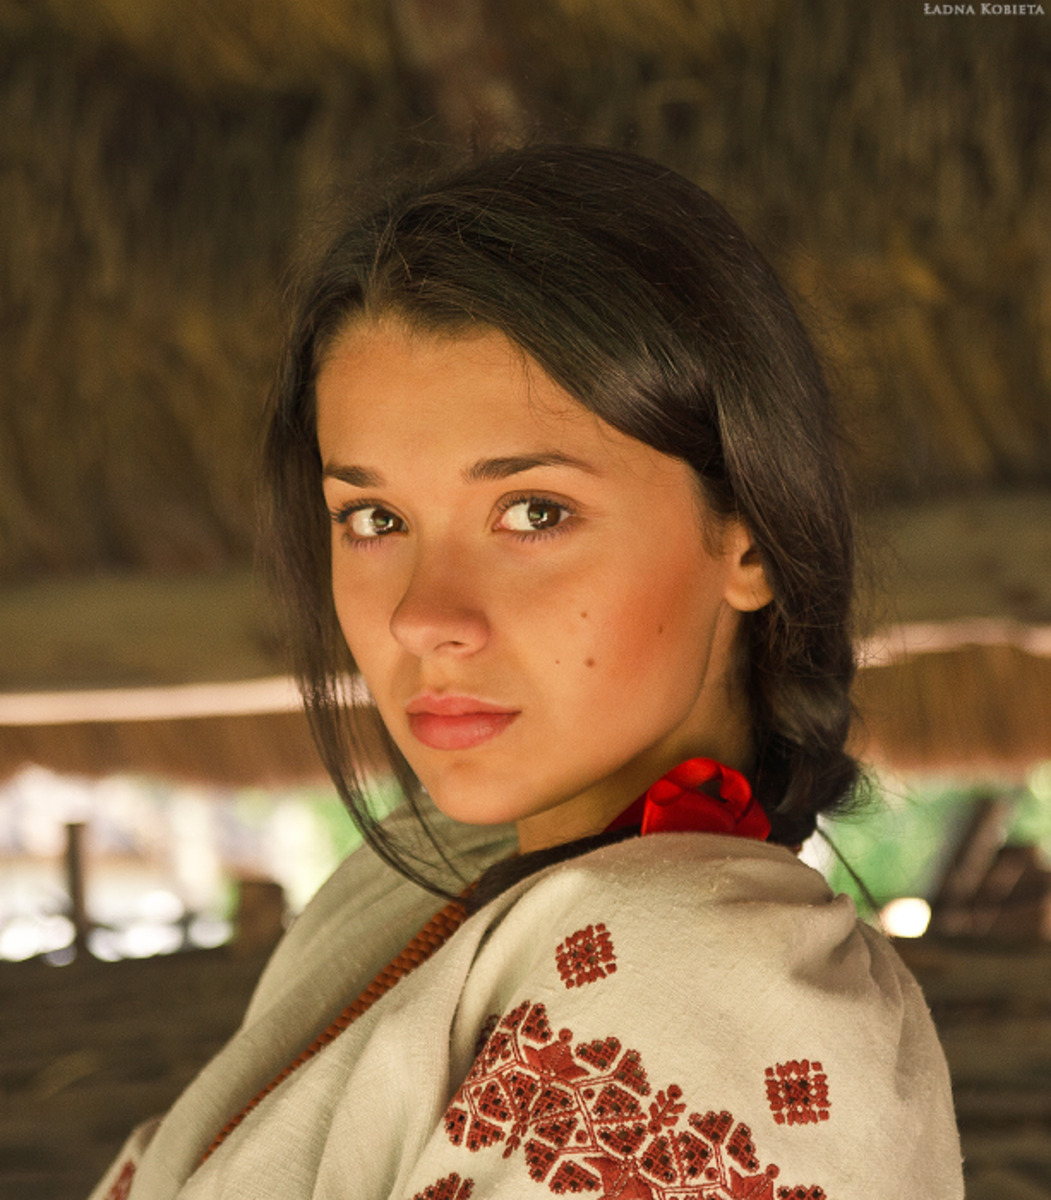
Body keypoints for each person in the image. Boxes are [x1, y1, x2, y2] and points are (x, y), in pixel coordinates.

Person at [90, 145, 963, 1200]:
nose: (424, 617)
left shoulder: (706, 982)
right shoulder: (421, 865)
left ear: (748, 539)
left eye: (535, 513)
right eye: (374, 518)